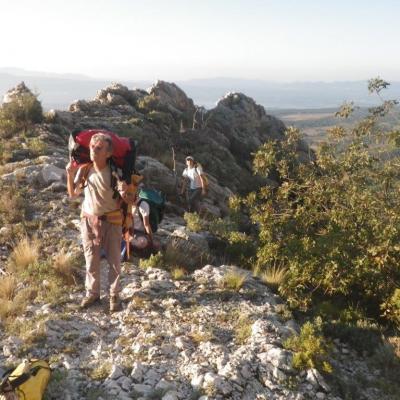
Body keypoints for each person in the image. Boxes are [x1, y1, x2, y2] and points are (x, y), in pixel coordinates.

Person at [66, 133, 128, 312]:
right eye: (92, 147)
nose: (93, 150)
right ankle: (93, 294)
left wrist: (125, 193)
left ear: (108, 153)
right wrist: (69, 174)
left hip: (112, 221)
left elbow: (130, 199)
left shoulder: (116, 173)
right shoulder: (85, 169)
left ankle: (114, 296)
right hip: (88, 220)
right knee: (90, 259)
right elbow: (72, 194)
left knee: (115, 260)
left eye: (99, 148)